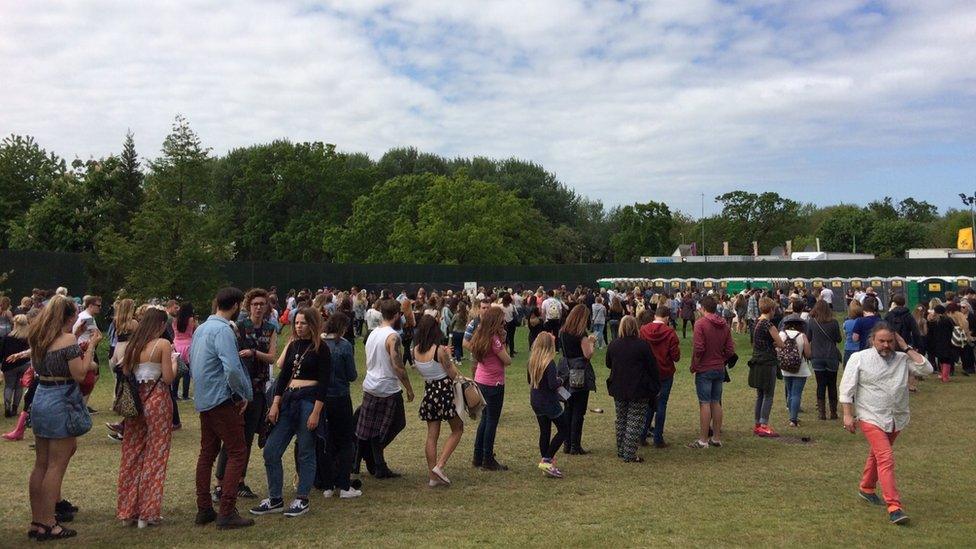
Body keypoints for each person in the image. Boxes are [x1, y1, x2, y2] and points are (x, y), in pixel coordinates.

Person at [839, 323, 932, 525]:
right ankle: (894, 507)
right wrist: (848, 415)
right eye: (881, 341)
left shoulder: (902, 358)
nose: (886, 345)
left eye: (890, 341)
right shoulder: (859, 358)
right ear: (873, 340)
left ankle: (866, 487)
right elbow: (846, 388)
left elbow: (926, 369)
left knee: (878, 453)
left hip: (896, 417)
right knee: (885, 457)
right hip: (870, 416)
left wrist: (905, 347)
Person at [26, 295, 101, 540]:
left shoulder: (38, 337)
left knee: (41, 464)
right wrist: (90, 347)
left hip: (41, 396)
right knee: (57, 465)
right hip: (61, 399)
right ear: (68, 317)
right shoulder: (67, 340)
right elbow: (80, 373)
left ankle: (38, 520)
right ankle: (49, 522)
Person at [251, 307, 330, 518]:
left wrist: (316, 412)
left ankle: (302, 498)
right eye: (296, 323)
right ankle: (275, 497)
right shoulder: (294, 345)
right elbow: (283, 376)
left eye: (303, 323)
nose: (298, 326)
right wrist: (275, 404)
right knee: (271, 450)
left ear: (312, 324)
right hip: (288, 401)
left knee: (305, 451)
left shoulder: (322, 349)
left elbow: (324, 384)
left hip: (309, 401)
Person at [189, 287, 254, 530]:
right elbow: (233, 369)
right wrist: (243, 393)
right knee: (237, 451)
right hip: (222, 399)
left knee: (207, 453)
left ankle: (204, 508)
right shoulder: (223, 331)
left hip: (205, 399)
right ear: (236, 305)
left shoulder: (202, 329)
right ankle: (227, 510)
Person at [214, 290, 277, 502]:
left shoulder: (270, 329)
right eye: (255, 304)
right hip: (239, 390)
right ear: (248, 306)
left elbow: (272, 358)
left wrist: (254, 353)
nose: (259, 307)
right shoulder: (238, 328)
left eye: (262, 304)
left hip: (258, 390)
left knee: (248, 438)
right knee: (231, 437)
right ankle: (220, 484)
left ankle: (239, 480)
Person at [116, 308, 176, 529]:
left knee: (131, 454)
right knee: (156, 454)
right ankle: (148, 512)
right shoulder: (162, 345)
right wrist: (175, 365)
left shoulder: (132, 346)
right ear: (160, 325)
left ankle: (127, 510)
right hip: (157, 398)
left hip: (135, 401)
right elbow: (168, 378)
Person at [356, 298, 414, 479]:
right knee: (397, 423)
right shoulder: (393, 336)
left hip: (371, 384)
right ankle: (373, 455)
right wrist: (409, 388)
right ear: (397, 315)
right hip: (387, 387)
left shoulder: (373, 333)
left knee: (372, 428)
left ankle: (378, 464)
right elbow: (398, 366)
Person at [412, 315, 463, 487]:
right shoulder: (439, 351)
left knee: (432, 435)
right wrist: (448, 355)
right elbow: (453, 373)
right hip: (444, 391)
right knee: (457, 429)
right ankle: (440, 465)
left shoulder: (415, 350)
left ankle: (432, 475)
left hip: (430, 392)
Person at [606, 316, 659, 461]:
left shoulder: (614, 345)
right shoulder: (642, 345)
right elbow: (652, 366)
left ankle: (622, 449)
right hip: (638, 387)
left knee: (621, 419)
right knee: (635, 420)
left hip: (618, 386)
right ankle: (629, 453)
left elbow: (608, 364)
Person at [319, 312, 360, 499]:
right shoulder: (344, 346)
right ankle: (344, 484)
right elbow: (351, 375)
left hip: (321, 398)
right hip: (340, 396)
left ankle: (327, 484)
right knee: (345, 442)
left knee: (327, 441)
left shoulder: (318, 343)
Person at [689, 296, 734, 448]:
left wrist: (695, 364)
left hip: (705, 368)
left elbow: (699, 348)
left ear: (703, 308)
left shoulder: (700, 324)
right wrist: (720, 359)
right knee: (716, 402)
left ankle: (703, 440)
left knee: (705, 403)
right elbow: (730, 350)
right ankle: (716, 437)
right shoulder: (725, 325)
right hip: (719, 367)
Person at [471, 306, 512, 469]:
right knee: (491, 421)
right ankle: (488, 458)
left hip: (481, 380)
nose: (504, 323)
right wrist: (503, 340)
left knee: (485, 419)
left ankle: (478, 455)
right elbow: (507, 360)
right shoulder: (494, 339)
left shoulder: (480, 334)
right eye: (502, 320)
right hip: (494, 384)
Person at [638, 305, 680, 448]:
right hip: (665, 372)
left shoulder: (643, 330)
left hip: (648, 373)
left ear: (655, 315)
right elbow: (676, 356)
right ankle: (658, 438)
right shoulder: (670, 333)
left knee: (649, 404)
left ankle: (642, 435)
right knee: (661, 404)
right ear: (667, 318)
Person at [528, 332, 568, 478]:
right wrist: (561, 380)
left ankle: (545, 461)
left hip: (536, 400)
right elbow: (552, 384)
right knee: (564, 429)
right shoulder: (549, 362)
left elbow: (529, 380)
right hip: (548, 401)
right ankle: (547, 459)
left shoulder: (532, 360)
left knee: (545, 431)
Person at [559, 304, 597, 455]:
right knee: (578, 411)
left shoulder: (563, 332)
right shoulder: (581, 334)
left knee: (568, 408)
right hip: (579, 372)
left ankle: (567, 443)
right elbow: (587, 354)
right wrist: (592, 342)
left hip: (565, 371)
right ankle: (575, 445)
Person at [749, 297, 785, 438]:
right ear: (771, 309)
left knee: (760, 395)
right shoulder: (768, 325)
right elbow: (781, 344)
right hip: (768, 361)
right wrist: (775, 344)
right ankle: (764, 425)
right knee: (768, 394)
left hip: (757, 360)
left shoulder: (756, 323)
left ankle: (758, 424)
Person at [806, 300, 842, 420]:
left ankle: (822, 413)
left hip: (817, 356)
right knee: (832, 384)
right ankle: (833, 412)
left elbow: (808, 338)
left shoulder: (812, 322)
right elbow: (838, 339)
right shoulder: (834, 322)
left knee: (820, 384)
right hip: (831, 356)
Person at [779, 314, 812, 427]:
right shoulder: (802, 336)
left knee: (789, 392)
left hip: (786, 367)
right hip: (800, 368)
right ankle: (793, 419)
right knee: (796, 394)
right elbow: (808, 354)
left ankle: (791, 415)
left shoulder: (782, 334)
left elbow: (778, 349)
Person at [72, 295, 102, 409]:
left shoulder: (87, 316)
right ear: (90, 306)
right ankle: (82, 405)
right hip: (85, 350)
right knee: (88, 378)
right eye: (98, 306)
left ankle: (82, 404)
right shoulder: (87, 318)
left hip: (86, 349)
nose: (100, 308)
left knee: (94, 375)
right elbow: (99, 336)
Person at [2, 314, 30, 417]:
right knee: (19, 387)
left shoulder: (7, 337)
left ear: (15, 324)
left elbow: (2, 352)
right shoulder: (28, 338)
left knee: (9, 386)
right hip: (24, 364)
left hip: (9, 364)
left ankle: (7, 407)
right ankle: (15, 408)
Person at [926, 305, 958, 383]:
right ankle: (945, 377)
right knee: (947, 360)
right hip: (947, 342)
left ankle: (942, 375)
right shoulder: (948, 320)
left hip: (936, 343)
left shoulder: (932, 321)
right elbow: (953, 329)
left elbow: (930, 333)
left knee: (941, 359)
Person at [172, 302, 196, 401]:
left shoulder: (175, 320)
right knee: (187, 371)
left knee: (177, 369)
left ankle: (175, 394)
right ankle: (185, 395)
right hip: (188, 345)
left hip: (177, 344)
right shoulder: (191, 320)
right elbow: (194, 330)